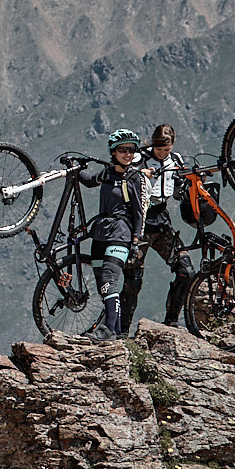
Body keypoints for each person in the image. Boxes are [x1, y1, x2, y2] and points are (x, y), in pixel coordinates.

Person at [77, 128, 149, 339]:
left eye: (131, 150)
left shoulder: (134, 178)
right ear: (113, 151)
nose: (128, 154)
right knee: (102, 284)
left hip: (121, 234)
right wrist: (75, 168)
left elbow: (139, 212)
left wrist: (136, 239)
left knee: (110, 279)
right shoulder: (107, 173)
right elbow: (90, 181)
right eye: (123, 149)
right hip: (100, 234)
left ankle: (107, 329)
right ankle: (117, 332)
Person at [126, 124, 197, 328]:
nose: (162, 153)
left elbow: (179, 189)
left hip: (162, 223)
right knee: (133, 280)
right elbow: (126, 178)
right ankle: (121, 331)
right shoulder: (140, 158)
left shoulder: (176, 160)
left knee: (186, 271)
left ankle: (171, 321)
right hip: (139, 223)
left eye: (166, 149)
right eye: (159, 149)